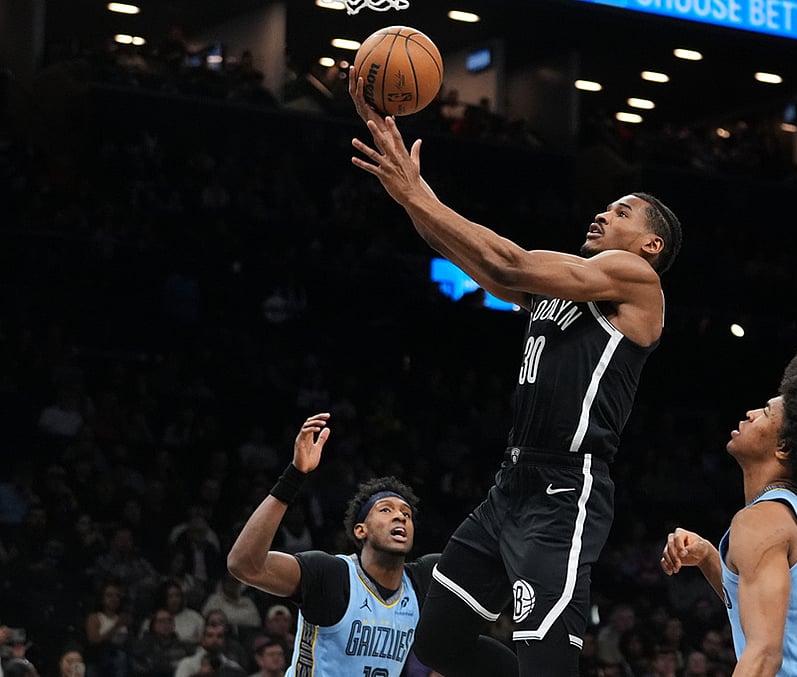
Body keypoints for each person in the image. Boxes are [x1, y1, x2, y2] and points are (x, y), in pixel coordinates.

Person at [348, 68, 682, 677]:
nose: (603, 214)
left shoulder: (638, 282)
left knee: (546, 660)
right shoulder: (561, 289)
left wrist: (419, 195)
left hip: (565, 490)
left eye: (622, 212)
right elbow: (478, 262)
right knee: (439, 644)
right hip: (513, 480)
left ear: (650, 246)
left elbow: (510, 261)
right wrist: (408, 194)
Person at [660, 346, 797, 676]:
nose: (751, 413)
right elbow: (765, 607)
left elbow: (764, 655)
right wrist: (708, 557)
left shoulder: (762, 520)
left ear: (784, 447)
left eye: (765, 412)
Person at [227, 412, 443, 677]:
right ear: (360, 530)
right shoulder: (331, 575)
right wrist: (294, 476)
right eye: (386, 509)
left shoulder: (422, 580)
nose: (400, 516)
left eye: (406, 514)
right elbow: (244, 566)